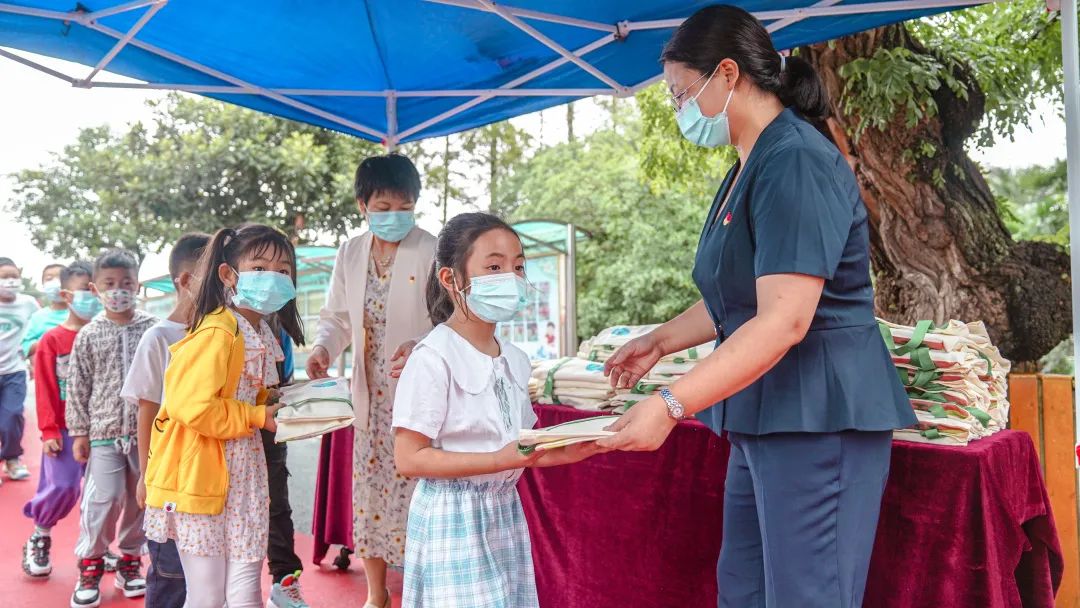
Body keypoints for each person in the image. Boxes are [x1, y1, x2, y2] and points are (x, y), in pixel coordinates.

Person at [597, 7, 918, 608]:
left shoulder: (794, 159)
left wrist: (671, 403)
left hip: (817, 414)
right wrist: (660, 341)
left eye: (681, 93)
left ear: (727, 73)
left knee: (807, 596)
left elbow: (784, 318)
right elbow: (737, 296)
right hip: (764, 413)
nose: (680, 110)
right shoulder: (749, 163)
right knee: (743, 590)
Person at [393, 212, 606, 608]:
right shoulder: (433, 357)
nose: (511, 277)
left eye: (518, 266)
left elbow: (521, 449)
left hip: (504, 513)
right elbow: (409, 458)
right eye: (494, 267)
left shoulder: (515, 360)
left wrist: (573, 449)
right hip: (452, 519)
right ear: (450, 278)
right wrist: (498, 460)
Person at [142, 224, 301, 608]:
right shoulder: (216, 331)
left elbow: (250, 394)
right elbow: (192, 405)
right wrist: (257, 415)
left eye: (283, 271)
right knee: (207, 596)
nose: (273, 278)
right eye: (259, 268)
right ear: (229, 275)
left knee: (245, 591)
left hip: (243, 477)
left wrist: (292, 405)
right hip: (202, 480)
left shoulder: (258, 332)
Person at [308, 153, 436, 608]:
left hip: (418, 391)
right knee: (371, 494)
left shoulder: (432, 248)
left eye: (404, 206)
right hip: (369, 395)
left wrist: (422, 345)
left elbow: (449, 318)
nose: (394, 215)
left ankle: (424, 589)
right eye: (383, 207)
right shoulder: (351, 252)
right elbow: (337, 317)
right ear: (362, 205)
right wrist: (323, 349)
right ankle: (376, 593)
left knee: (418, 491)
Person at [120, 232, 209, 608]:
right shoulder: (158, 338)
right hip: (168, 482)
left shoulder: (219, 334)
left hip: (206, 482)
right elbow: (147, 410)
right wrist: (145, 473)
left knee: (205, 575)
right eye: (217, 275)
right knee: (171, 573)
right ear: (186, 281)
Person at [66, 248, 155, 607]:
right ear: (95, 288)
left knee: (139, 500)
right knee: (105, 497)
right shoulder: (89, 334)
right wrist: (79, 432)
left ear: (138, 286)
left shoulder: (152, 330)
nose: (119, 290)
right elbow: (78, 385)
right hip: (103, 433)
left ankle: (129, 560)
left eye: (126, 283)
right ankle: (91, 562)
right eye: (110, 284)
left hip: (146, 435)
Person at [22, 260, 97, 578]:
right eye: (84, 290)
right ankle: (40, 535)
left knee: (102, 494)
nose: (92, 296)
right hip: (64, 430)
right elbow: (45, 389)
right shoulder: (52, 340)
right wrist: (50, 430)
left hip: (103, 430)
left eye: (95, 289)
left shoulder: (104, 334)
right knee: (63, 486)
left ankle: (97, 547)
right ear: (67, 295)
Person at [262, 317, 310, 608]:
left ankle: (285, 580)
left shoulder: (277, 325)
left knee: (277, 505)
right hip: (229, 428)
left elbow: (286, 381)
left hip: (271, 428)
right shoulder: (219, 321)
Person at [0, 256, 40, 483]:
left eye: (14, 276)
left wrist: (34, 361)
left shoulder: (28, 304)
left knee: (12, 416)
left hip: (14, 370)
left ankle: (12, 459)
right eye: (4, 277)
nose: (10, 281)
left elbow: (36, 332)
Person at [23, 263, 69, 359]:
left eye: (60, 278)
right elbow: (24, 346)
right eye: (49, 279)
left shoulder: (81, 313)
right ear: (43, 285)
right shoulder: (38, 317)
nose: (56, 283)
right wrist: (48, 342)